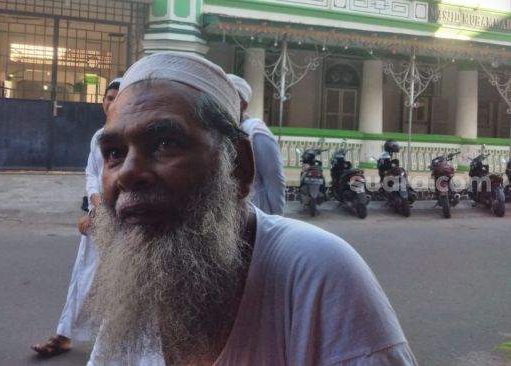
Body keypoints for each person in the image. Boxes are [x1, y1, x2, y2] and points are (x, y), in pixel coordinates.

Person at [85, 52, 417, 365]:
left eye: (165, 143)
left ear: (237, 166)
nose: (127, 173)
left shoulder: (317, 270)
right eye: (114, 153)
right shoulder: (141, 273)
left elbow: (273, 183)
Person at [31, 78, 122, 357]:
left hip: (124, 222)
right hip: (101, 216)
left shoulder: (131, 137)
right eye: (109, 97)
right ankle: (64, 334)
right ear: (102, 101)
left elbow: (123, 181)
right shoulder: (99, 136)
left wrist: (102, 212)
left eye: (118, 98)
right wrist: (96, 207)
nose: (112, 103)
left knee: (119, 284)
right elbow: (93, 174)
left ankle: (111, 349)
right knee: (83, 274)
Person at [228, 74, 286, 215]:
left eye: (229, 97)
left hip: (255, 214)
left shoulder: (257, 134)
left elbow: (275, 182)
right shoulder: (224, 131)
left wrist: (276, 221)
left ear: (243, 105)